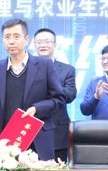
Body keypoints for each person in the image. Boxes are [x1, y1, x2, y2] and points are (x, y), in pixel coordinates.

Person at [0, 19, 64, 160]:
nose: (11, 41)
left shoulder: (44, 65)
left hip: (37, 138)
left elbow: (59, 99)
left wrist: (37, 109)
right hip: (5, 140)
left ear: (26, 39)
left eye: (16, 36)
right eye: (7, 37)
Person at [33, 28, 76, 163]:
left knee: (57, 170)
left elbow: (70, 94)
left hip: (57, 129)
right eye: (39, 42)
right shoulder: (26, 68)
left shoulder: (67, 69)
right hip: (31, 126)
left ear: (55, 44)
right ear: (34, 44)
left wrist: (50, 88)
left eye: (47, 41)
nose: (43, 45)